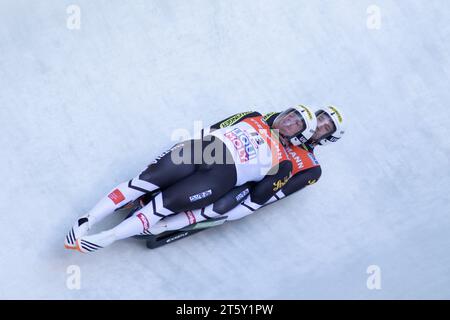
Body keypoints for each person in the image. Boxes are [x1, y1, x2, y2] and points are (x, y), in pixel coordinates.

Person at [65, 105, 318, 253]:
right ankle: (87, 219)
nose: (290, 120)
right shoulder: (253, 115)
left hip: (220, 177)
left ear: (300, 135)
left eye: (296, 123)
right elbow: (214, 127)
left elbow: (258, 197)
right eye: (291, 114)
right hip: (201, 150)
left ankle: (108, 237)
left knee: (164, 204)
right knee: (144, 181)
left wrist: (220, 210)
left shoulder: (284, 164)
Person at [148, 105, 346, 235]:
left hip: (252, 183)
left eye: (326, 127)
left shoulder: (312, 168)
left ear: (328, 137)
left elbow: (277, 194)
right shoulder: (289, 121)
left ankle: (167, 225)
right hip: (232, 158)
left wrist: (250, 205)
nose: (320, 125)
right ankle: (148, 185)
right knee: (191, 159)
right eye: (320, 119)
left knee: (223, 208)